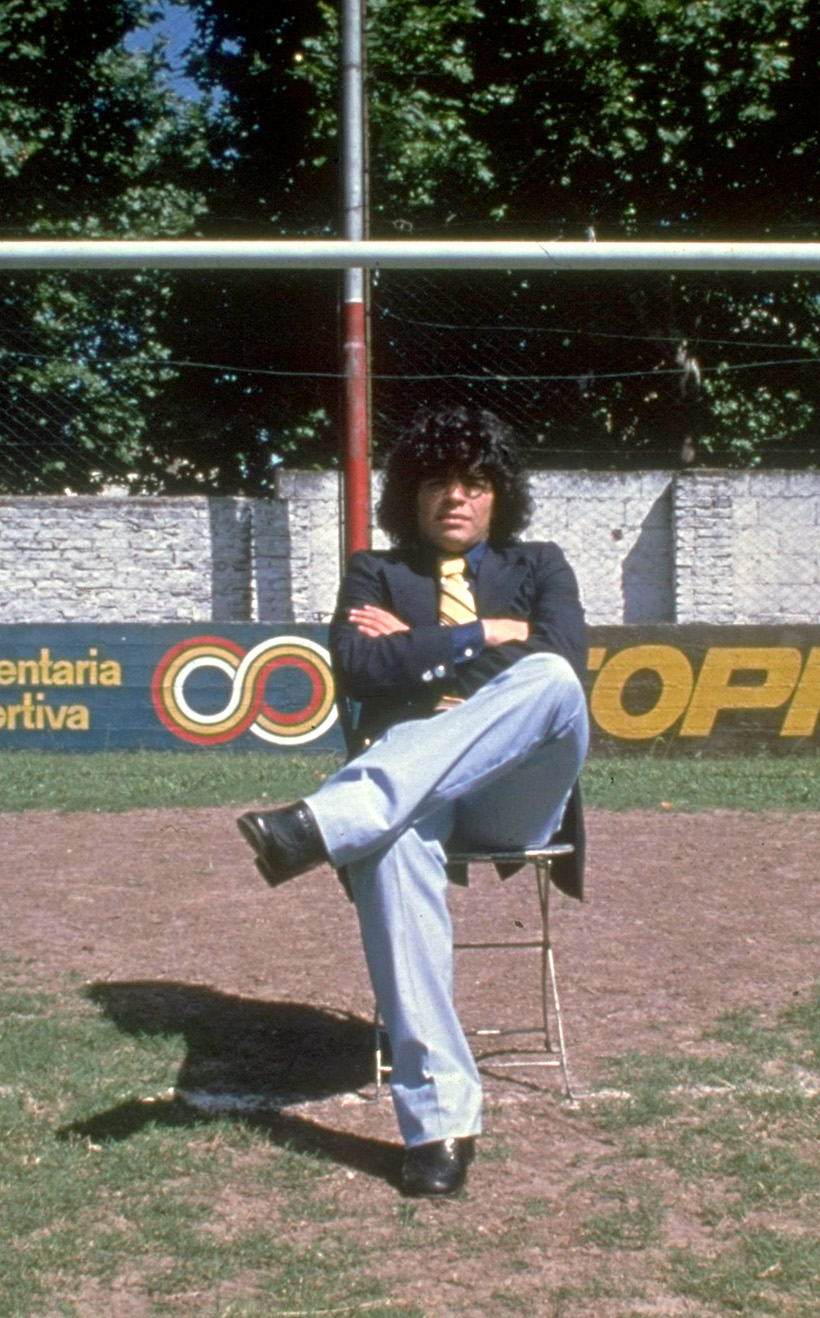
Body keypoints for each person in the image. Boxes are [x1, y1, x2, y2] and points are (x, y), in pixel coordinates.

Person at [237, 406, 590, 1198]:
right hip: (414, 798)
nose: (456, 497)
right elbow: (359, 669)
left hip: (516, 788)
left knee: (550, 679)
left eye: (475, 482)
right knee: (391, 840)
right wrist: (485, 636)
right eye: (438, 482)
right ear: (412, 495)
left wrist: (423, 646)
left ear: (501, 495)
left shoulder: (541, 565)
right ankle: (438, 1124)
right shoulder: (374, 571)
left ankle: (323, 824)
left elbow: (560, 662)